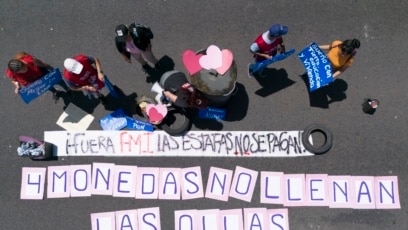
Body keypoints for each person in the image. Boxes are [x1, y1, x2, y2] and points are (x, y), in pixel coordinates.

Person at [6, 52, 70, 103]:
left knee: (58, 80)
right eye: (22, 70)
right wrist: (17, 87)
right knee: (46, 87)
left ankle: (67, 88)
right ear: (16, 72)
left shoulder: (30, 60)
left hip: (42, 74)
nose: (25, 69)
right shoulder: (11, 72)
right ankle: (55, 91)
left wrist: (54, 71)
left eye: (24, 67)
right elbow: (13, 79)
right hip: (35, 82)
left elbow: (44, 65)